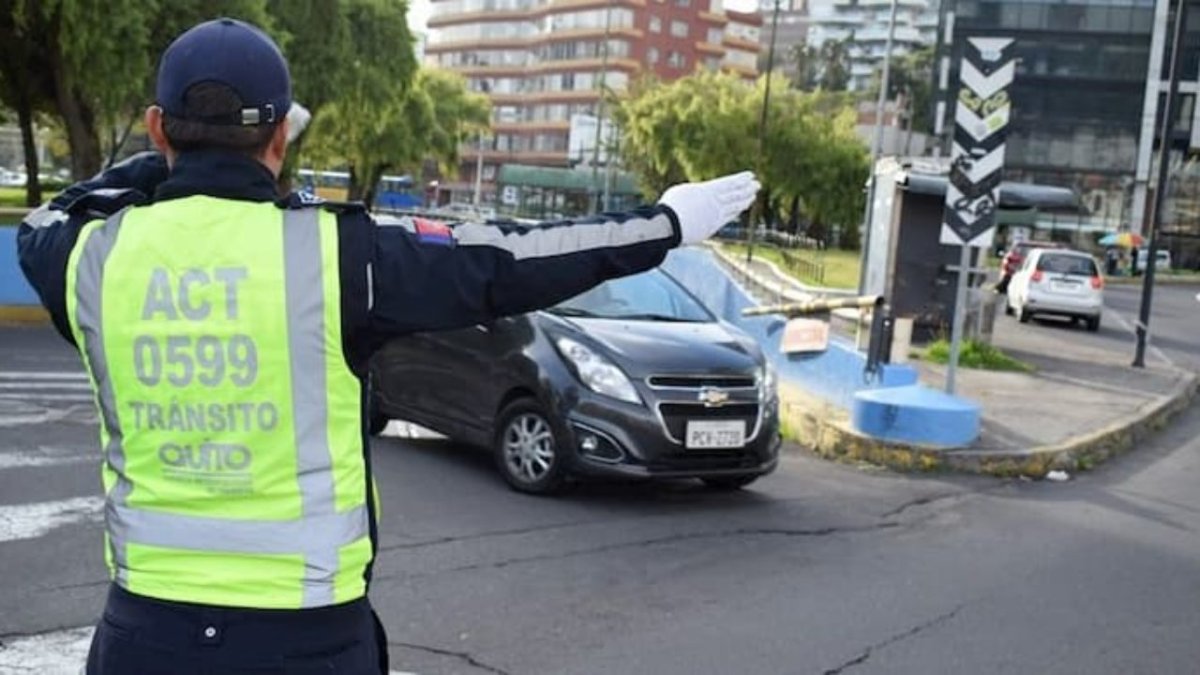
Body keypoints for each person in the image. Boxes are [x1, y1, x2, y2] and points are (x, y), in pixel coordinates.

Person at [16, 17, 759, 675]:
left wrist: (164, 165)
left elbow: (49, 217)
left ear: (156, 127)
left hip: (147, 634)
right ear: (280, 136)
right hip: (306, 638)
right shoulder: (340, 257)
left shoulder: (91, 259)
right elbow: (508, 261)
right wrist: (662, 224)